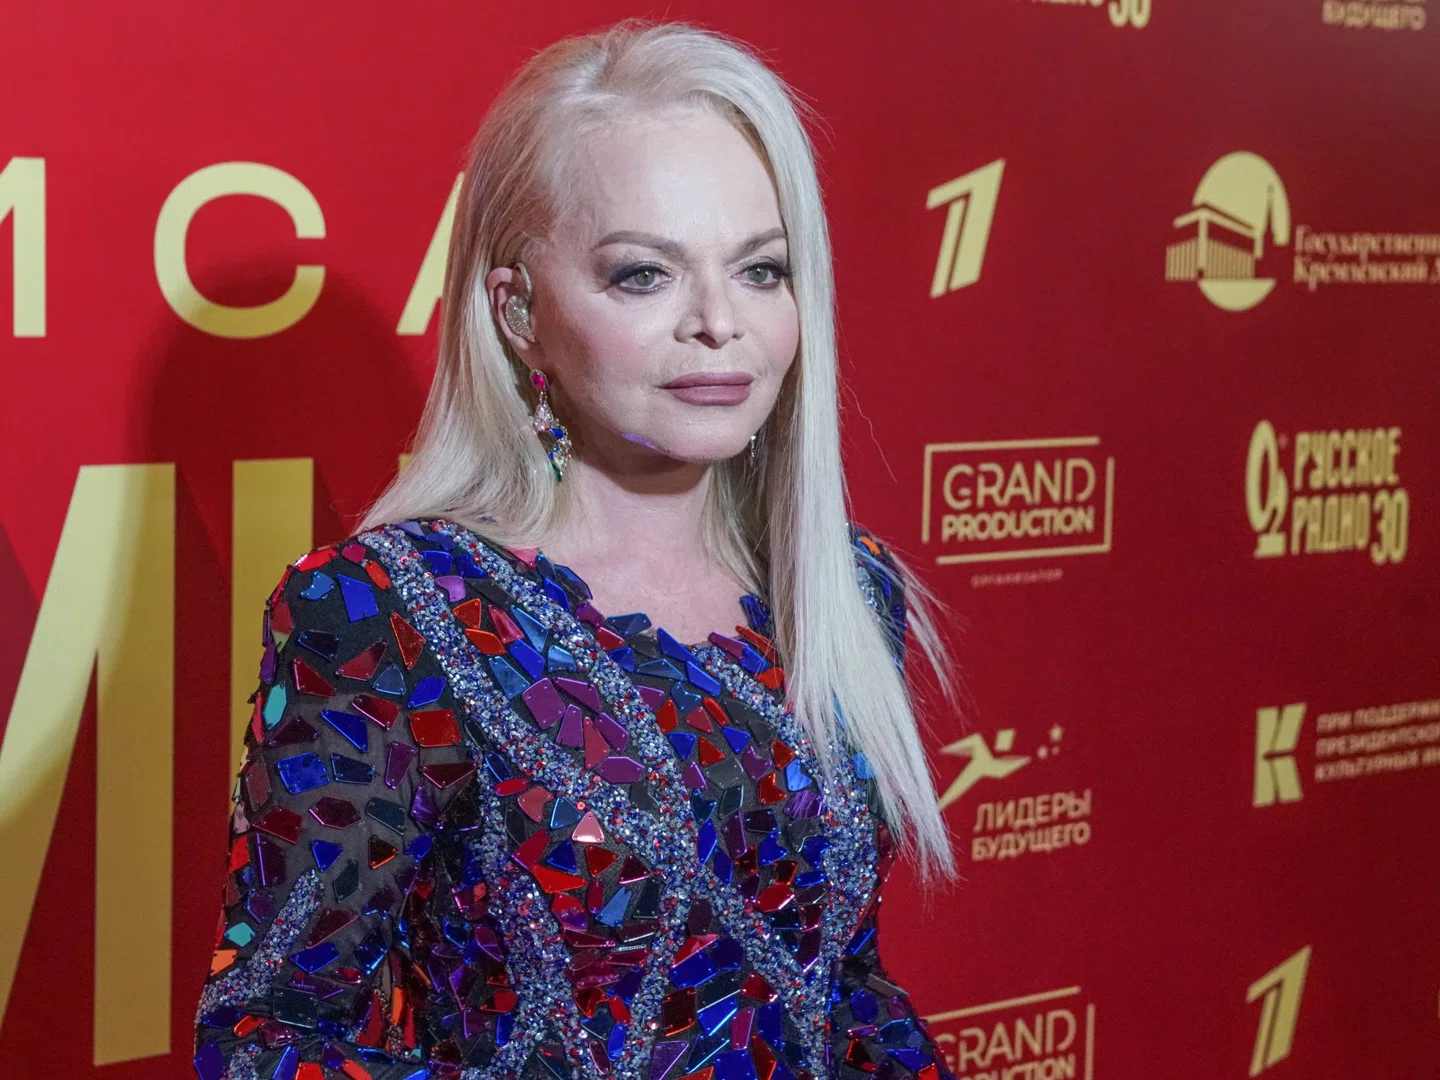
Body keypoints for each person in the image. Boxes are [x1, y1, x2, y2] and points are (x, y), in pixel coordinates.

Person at [192, 18, 960, 1080]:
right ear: (518, 311)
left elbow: (844, 988)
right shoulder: (390, 611)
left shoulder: (842, 587)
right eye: (644, 274)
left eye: (761, 270)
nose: (719, 323)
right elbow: (264, 1042)